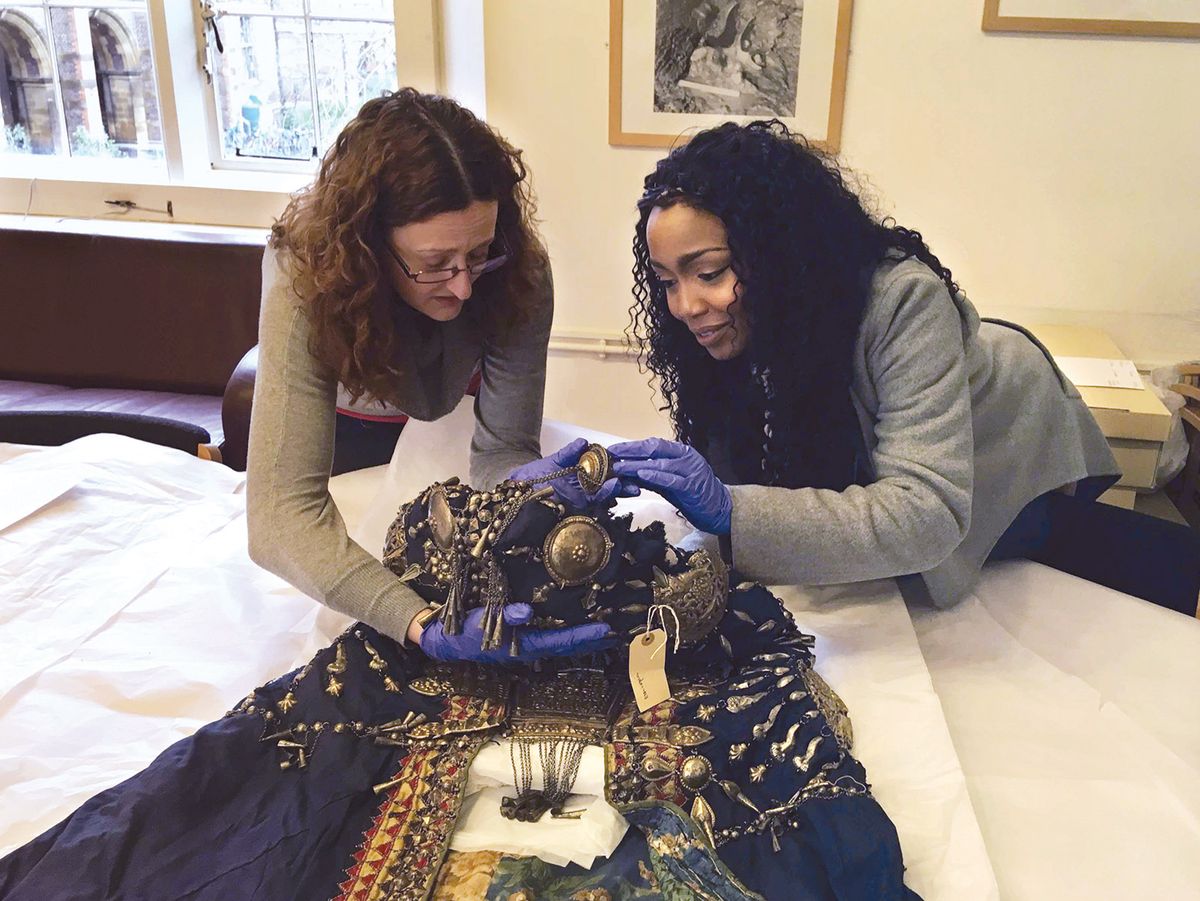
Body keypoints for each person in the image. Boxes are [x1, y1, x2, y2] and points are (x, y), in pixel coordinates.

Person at [611, 119, 1200, 614]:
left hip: (1008, 441)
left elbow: (927, 513)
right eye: (667, 281)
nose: (686, 305)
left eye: (709, 272)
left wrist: (733, 512)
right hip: (927, 443)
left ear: (774, 253)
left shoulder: (902, 298)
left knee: (1032, 540)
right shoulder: (732, 321)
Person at [247, 89, 611, 656]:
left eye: (478, 255)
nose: (464, 287)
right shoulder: (306, 278)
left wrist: (542, 495)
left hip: (457, 435)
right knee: (334, 629)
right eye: (435, 265)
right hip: (348, 439)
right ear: (367, 245)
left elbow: (500, 451)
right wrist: (418, 622)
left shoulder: (519, 270)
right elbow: (281, 518)